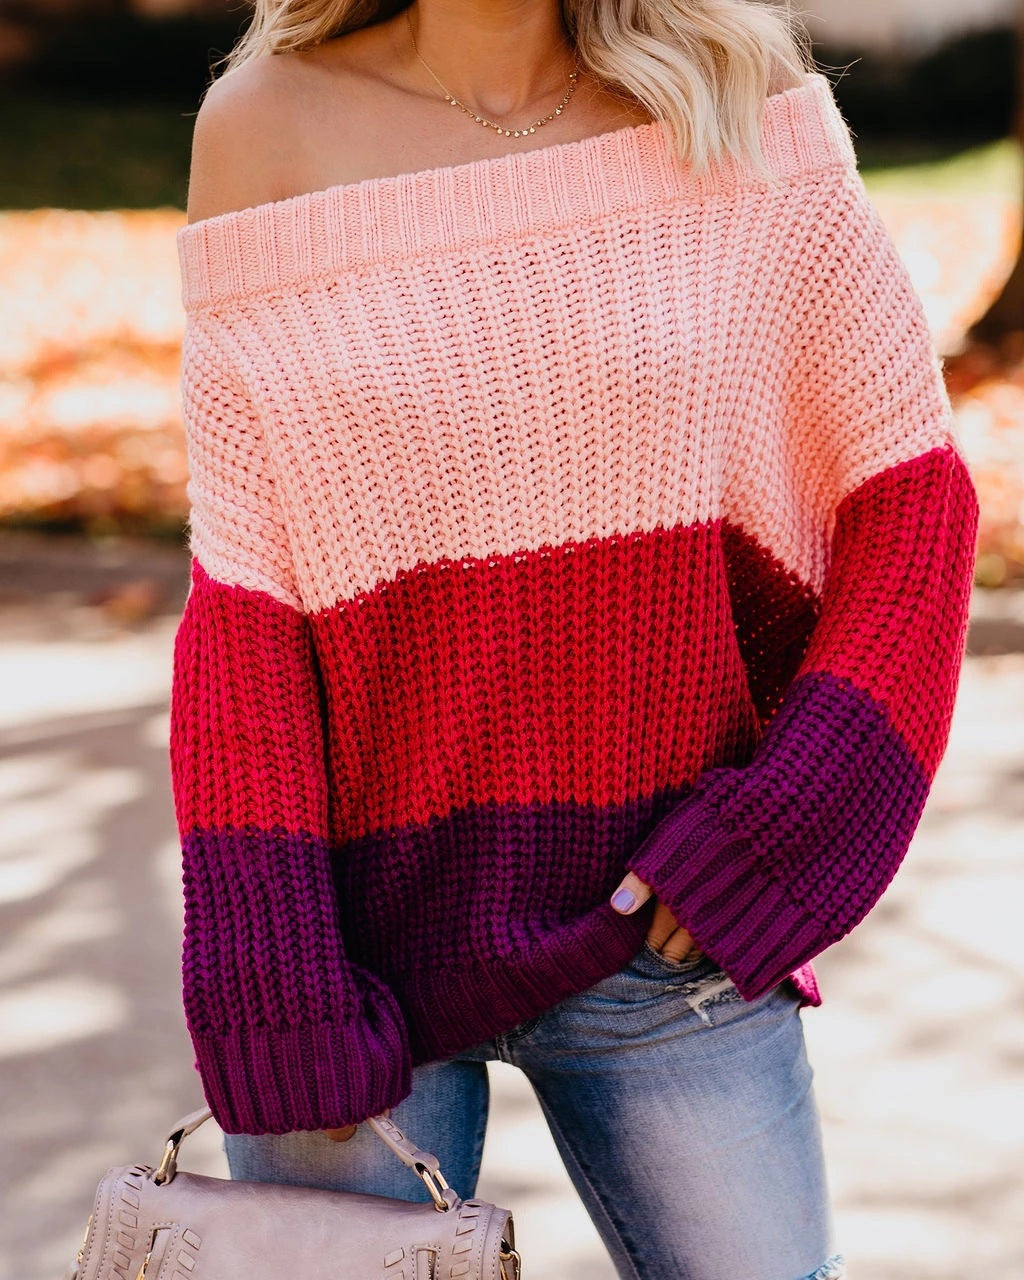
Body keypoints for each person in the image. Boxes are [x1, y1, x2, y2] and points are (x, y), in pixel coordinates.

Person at [168, 0, 979, 1276]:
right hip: (352, 961)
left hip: (668, 925)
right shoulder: (265, 126)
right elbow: (244, 604)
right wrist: (268, 969)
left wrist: (786, 826)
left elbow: (908, 497)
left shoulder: (730, 87)